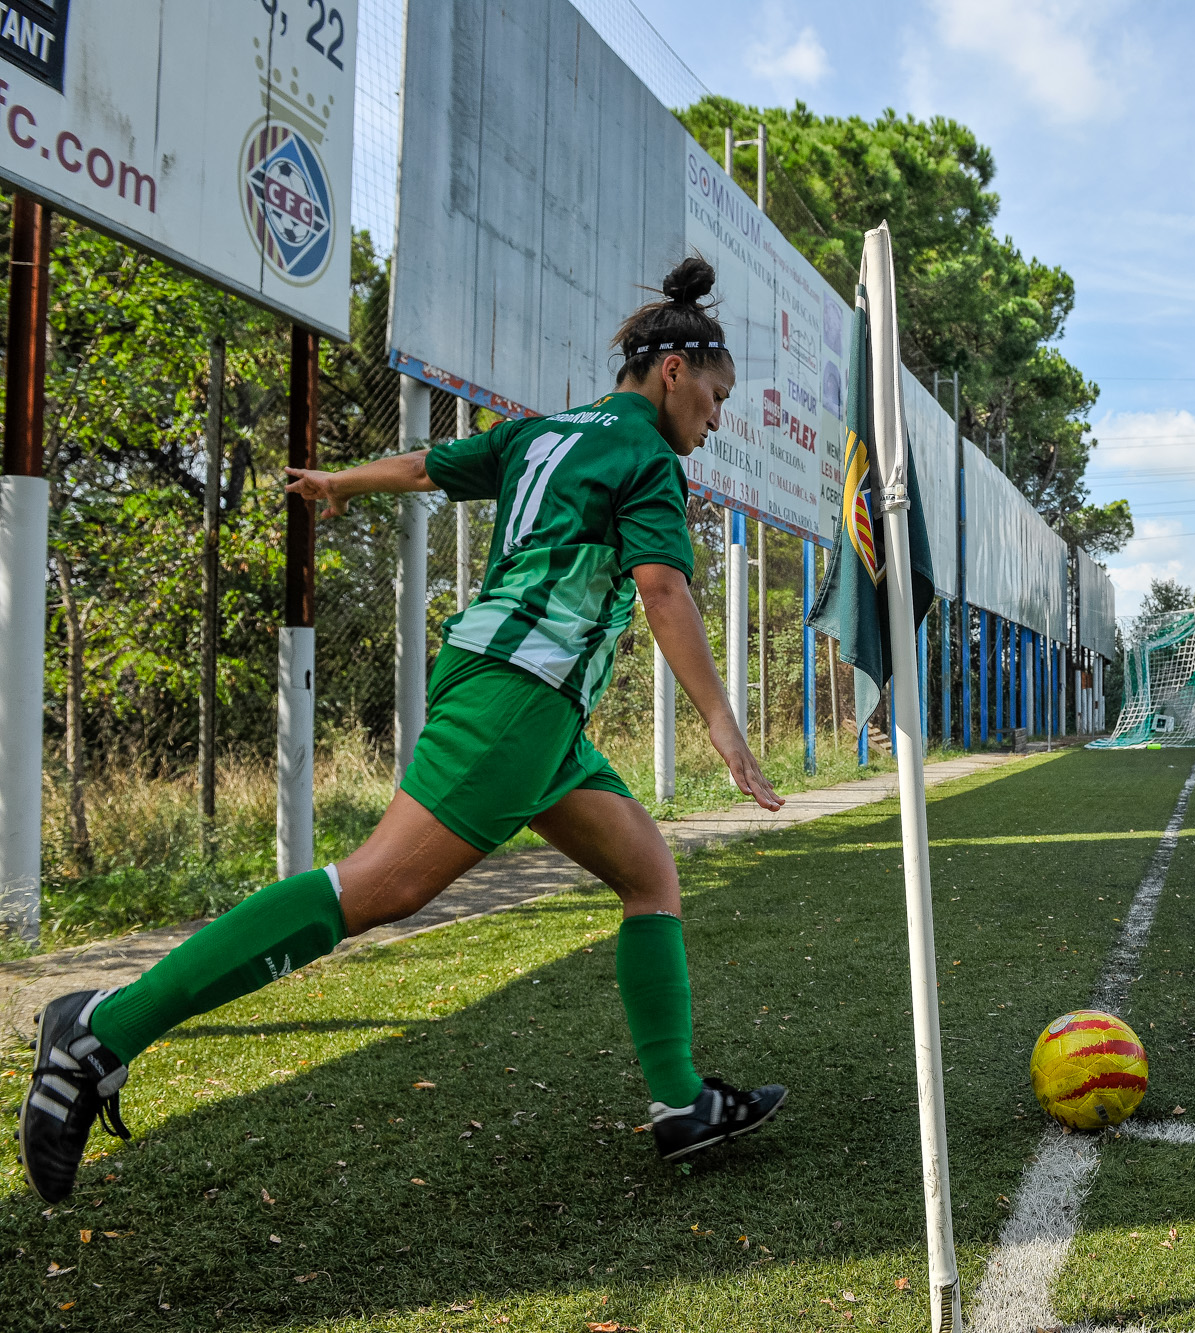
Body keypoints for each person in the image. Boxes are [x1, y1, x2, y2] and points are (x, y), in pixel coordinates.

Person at [16, 258, 790, 1206]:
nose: (713, 424)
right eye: (714, 399)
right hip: (520, 693)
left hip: (526, 699)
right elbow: (662, 587)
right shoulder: (644, 458)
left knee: (647, 873)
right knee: (380, 884)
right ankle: (100, 1028)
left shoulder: (545, 431)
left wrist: (343, 478)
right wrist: (724, 724)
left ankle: (680, 1104)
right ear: (673, 372)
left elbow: (428, 464)